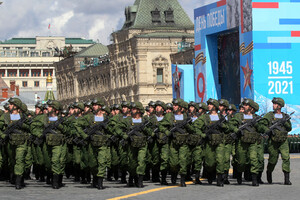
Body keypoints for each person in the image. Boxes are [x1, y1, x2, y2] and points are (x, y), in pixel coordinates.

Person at [257, 97, 292, 185]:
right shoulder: (269, 115)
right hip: (273, 141)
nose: (273, 105)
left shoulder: (285, 116)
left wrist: (285, 122)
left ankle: (287, 179)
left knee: (286, 158)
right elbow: (261, 125)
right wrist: (267, 130)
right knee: (273, 160)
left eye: (275, 104)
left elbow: (289, 128)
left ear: (280, 106)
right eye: (273, 104)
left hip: (283, 141)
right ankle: (269, 172)